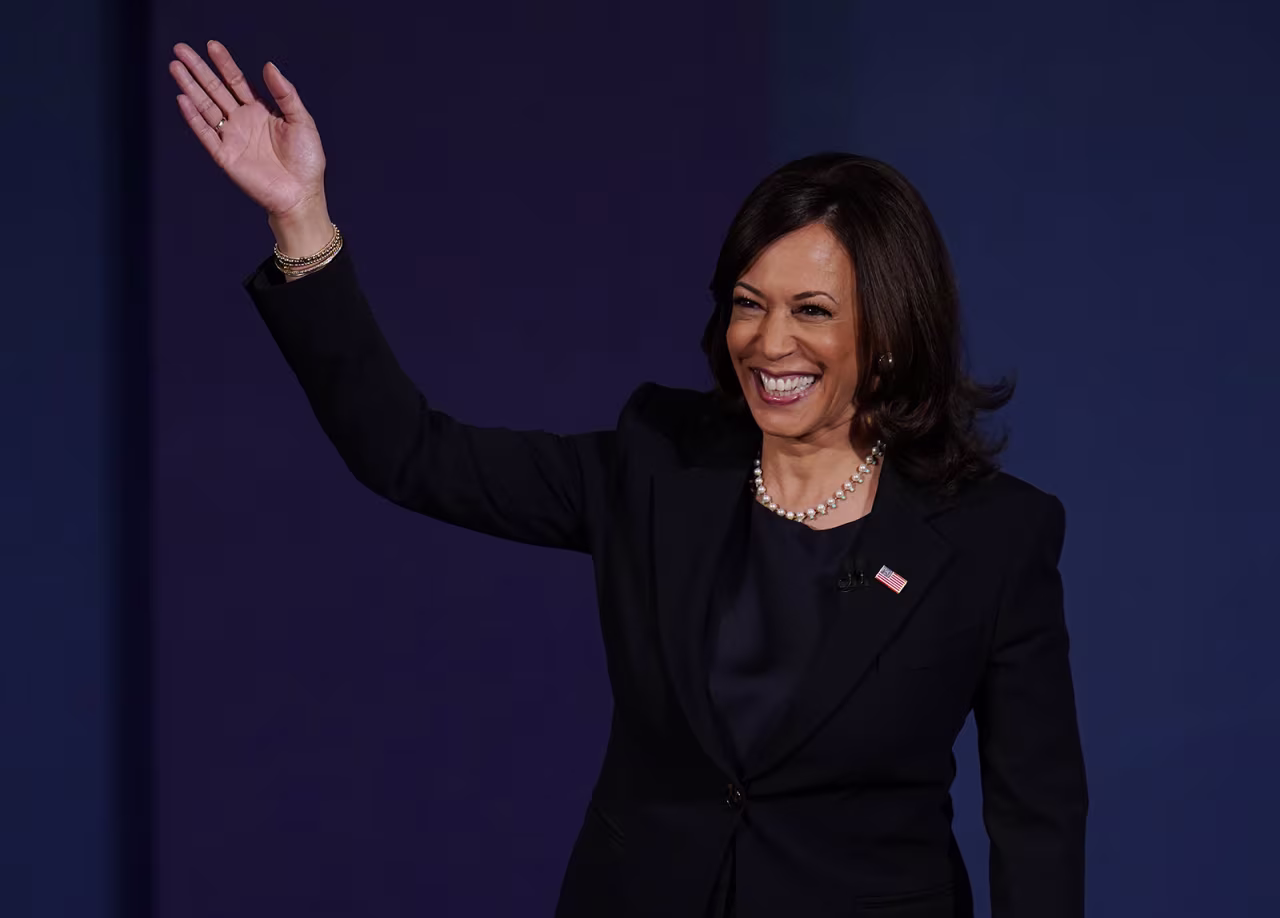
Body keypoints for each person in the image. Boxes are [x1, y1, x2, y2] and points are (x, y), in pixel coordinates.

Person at [168, 39, 1088, 918]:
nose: (770, 344)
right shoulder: (658, 465)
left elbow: (1036, 822)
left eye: (813, 311)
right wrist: (302, 222)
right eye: (748, 304)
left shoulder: (993, 538)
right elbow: (411, 453)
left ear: (890, 335)